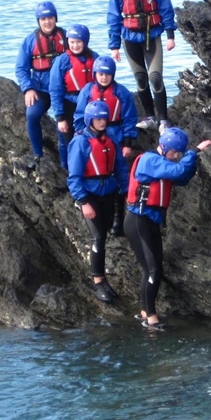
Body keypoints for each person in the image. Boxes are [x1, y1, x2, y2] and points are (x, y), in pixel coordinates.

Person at [124, 127, 211, 328]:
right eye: (174, 152)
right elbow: (179, 170)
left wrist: (193, 158)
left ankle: (145, 311)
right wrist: (195, 151)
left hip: (150, 222)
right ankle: (152, 319)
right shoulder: (149, 160)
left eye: (178, 153)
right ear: (164, 147)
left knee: (152, 270)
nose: (176, 156)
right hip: (138, 221)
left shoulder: (163, 162)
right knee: (153, 270)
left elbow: (182, 178)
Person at [106, 0, 177, 134]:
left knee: (155, 78)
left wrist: (170, 35)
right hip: (129, 40)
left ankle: (163, 120)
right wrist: (114, 46)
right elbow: (113, 19)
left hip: (151, 36)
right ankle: (149, 117)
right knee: (140, 79)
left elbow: (166, 8)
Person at [67, 100, 129, 303]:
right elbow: (74, 176)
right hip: (90, 194)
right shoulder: (80, 143)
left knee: (106, 232)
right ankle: (98, 281)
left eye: (104, 118)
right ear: (90, 119)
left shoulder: (110, 139)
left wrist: (126, 188)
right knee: (98, 237)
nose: (102, 122)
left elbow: (120, 167)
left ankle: (103, 277)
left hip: (108, 191)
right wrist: (83, 201)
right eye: (98, 118)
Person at [74, 55, 138, 236]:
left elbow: (129, 119)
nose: (104, 77)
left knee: (118, 174)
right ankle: (92, 207)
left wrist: (127, 143)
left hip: (115, 135)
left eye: (107, 74)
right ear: (95, 74)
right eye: (101, 74)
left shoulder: (122, 93)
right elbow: (79, 116)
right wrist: (83, 135)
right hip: (91, 136)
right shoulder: (87, 91)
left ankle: (118, 217)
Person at [14, 1, 66, 165]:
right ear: (38, 21)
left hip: (63, 89)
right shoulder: (30, 41)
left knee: (64, 123)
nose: (47, 22)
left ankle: (66, 161)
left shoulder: (66, 37)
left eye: (50, 17)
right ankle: (38, 154)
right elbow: (21, 69)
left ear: (55, 18)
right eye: (43, 19)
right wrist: (28, 88)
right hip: (41, 89)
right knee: (32, 114)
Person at [49, 24, 98, 169]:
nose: (75, 45)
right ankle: (67, 171)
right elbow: (55, 90)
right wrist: (60, 118)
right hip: (68, 105)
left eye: (78, 42)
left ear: (85, 41)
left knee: (90, 140)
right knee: (67, 142)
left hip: (90, 106)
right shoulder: (61, 61)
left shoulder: (95, 58)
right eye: (72, 42)